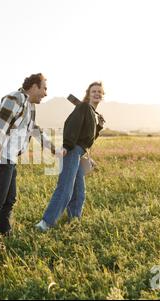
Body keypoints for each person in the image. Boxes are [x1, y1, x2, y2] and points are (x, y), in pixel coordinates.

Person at [0, 73, 59, 236]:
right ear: (34, 86)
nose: (46, 93)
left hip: (9, 156)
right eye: (44, 88)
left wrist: (54, 149)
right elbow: (2, 121)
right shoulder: (16, 97)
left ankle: (5, 233)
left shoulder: (30, 107)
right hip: (0, 152)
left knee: (9, 198)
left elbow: (35, 130)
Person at [35, 81, 106, 231]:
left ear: (103, 95)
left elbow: (88, 138)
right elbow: (71, 124)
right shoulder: (84, 107)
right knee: (65, 188)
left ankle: (74, 220)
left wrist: (98, 127)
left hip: (80, 153)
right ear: (88, 93)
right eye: (94, 91)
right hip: (72, 150)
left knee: (79, 191)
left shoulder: (93, 113)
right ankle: (45, 223)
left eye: (100, 92)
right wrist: (67, 145)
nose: (97, 94)